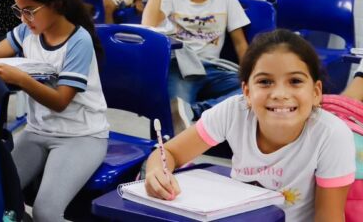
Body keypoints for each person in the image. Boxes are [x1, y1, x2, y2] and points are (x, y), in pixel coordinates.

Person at [144, 30, 355, 222]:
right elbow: (169, 152)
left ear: (316, 92)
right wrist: (156, 172)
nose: (280, 94)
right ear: (246, 92)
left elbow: (329, 218)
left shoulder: (332, 135)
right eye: (265, 82)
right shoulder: (232, 111)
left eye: (295, 81)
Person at [0, 0, 108, 222]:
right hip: (37, 131)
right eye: (19, 10)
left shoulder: (78, 41)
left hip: (80, 136)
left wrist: (21, 79)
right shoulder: (26, 31)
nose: (23, 18)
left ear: (56, 5)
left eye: (30, 11)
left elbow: (61, 101)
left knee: (46, 213)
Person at [142, 0, 250, 130]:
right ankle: (185, 121)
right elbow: (148, 23)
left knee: (255, 89)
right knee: (171, 112)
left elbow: (240, 43)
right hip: (181, 70)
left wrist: (251, 74)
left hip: (214, 69)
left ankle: (196, 110)